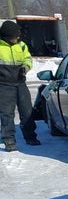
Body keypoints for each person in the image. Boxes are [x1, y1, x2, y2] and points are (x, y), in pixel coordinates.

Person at [0, 20, 39, 151]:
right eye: (14, 36)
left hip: (20, 83)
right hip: (4, 85)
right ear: (6, 36)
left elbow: (28, 58)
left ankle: (30, 137)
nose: (17, 38)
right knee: (7, 114)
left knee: (27, 111)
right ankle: (9, 140)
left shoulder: (21, 45)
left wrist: (25, 68)